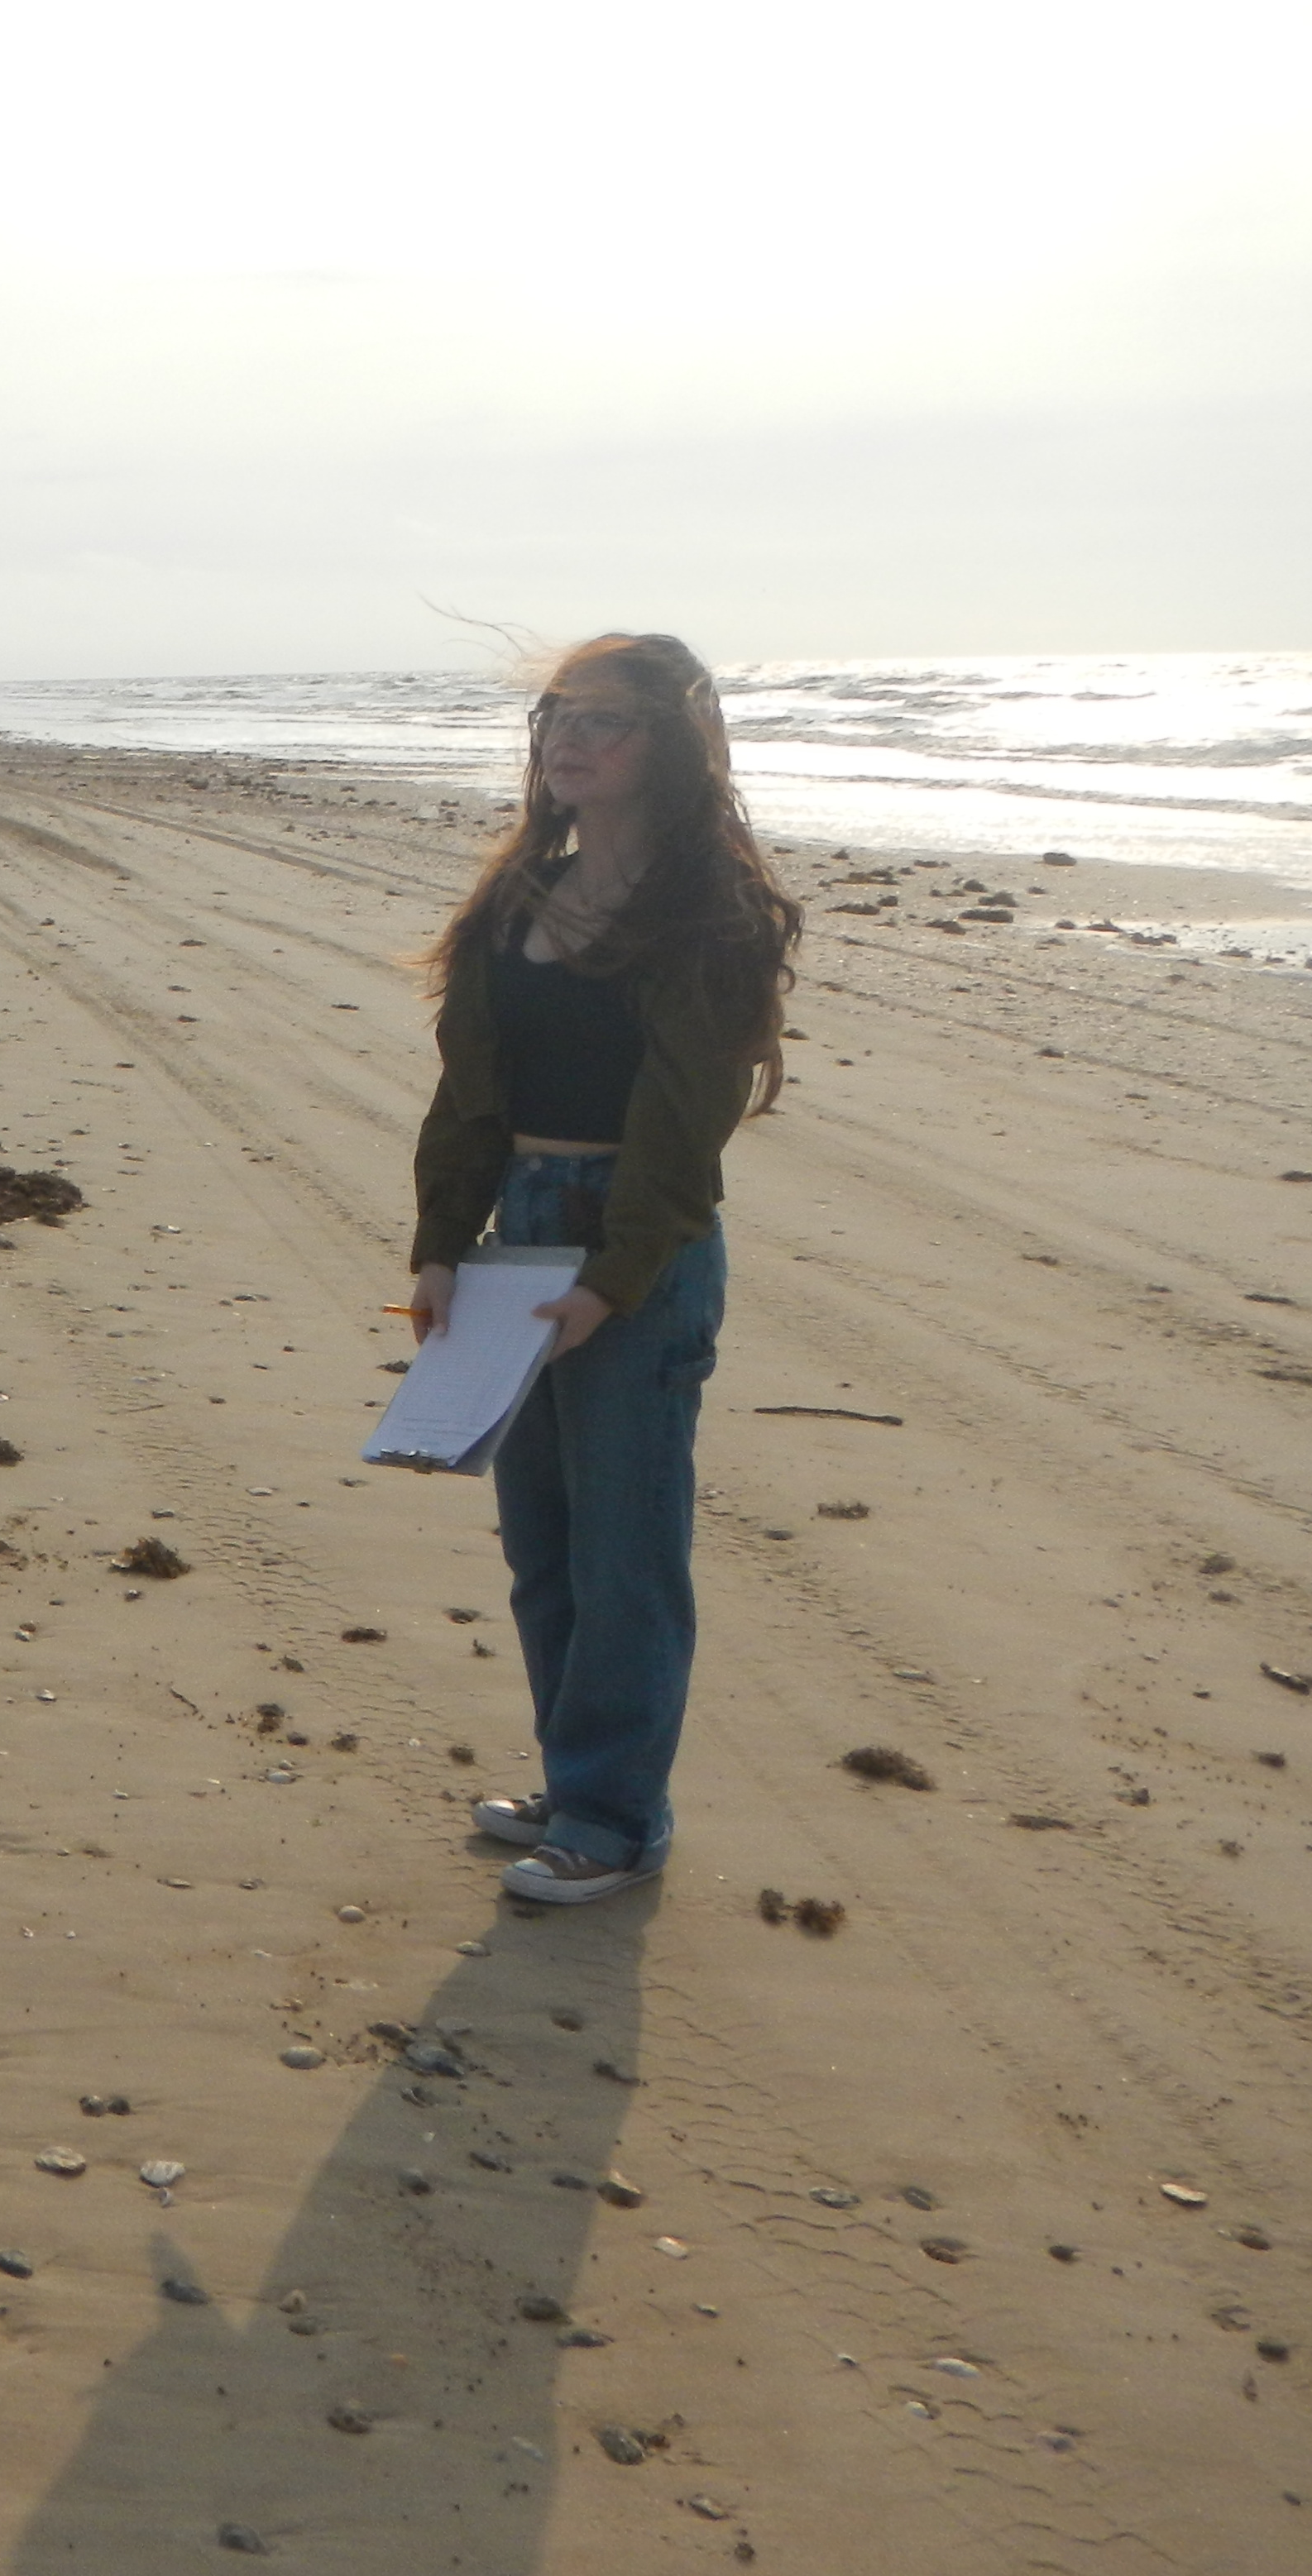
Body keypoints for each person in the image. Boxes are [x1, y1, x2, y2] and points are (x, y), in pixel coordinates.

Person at [405, 633, 801, 1905]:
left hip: (641, 1235)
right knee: (545, 1541)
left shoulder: (708, 914)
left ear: (673, 748)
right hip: (519, 1229)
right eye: (560, 716)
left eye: (609, 721)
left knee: (628, 1548)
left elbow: (687, 1128)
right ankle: (578, 1786)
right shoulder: (518, 898)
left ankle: (617, 1822)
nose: (572, 740)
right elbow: (468, 1097)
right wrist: (439, 1246)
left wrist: (615, 1278)